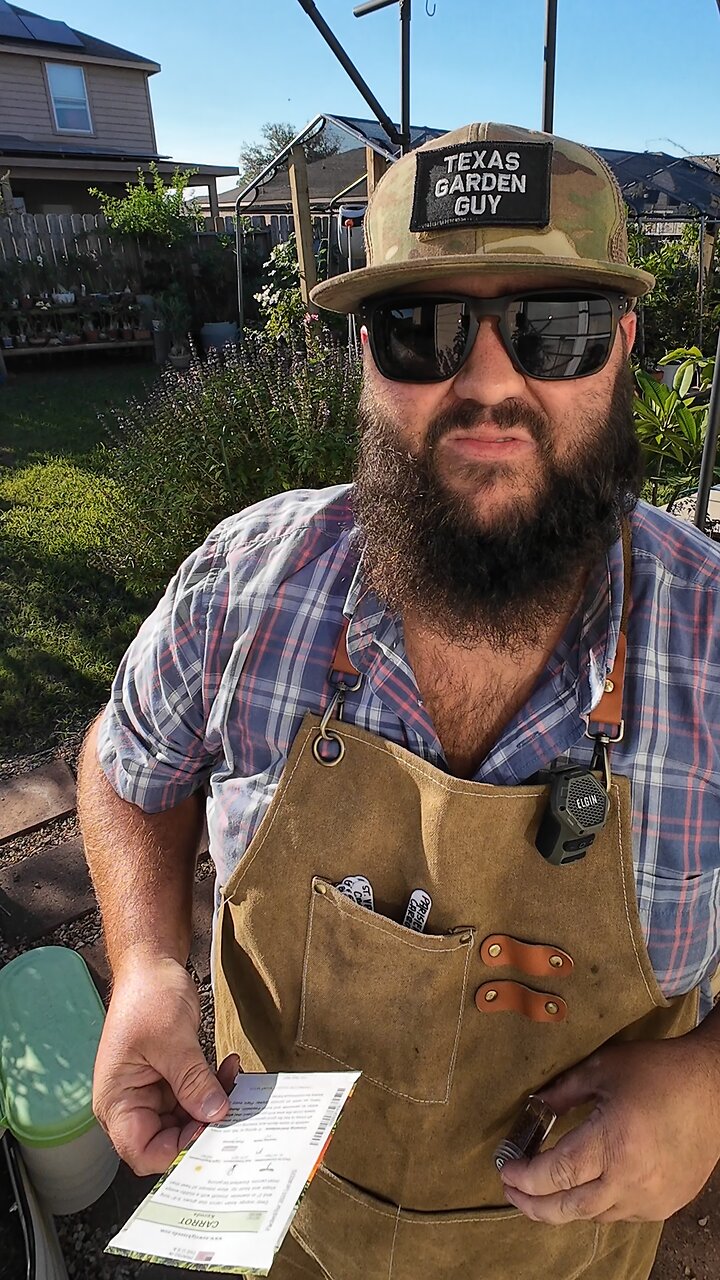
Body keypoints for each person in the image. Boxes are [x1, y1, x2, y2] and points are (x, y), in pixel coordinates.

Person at [78, 122, 720, 1280]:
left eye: (554, 329)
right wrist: (145, 964)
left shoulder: (711, 639)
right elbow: (128, 763)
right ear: (363, 359)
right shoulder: (244, 584)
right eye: (420, 330)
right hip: (287, 1242)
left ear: (625, 344)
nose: (486, 383)